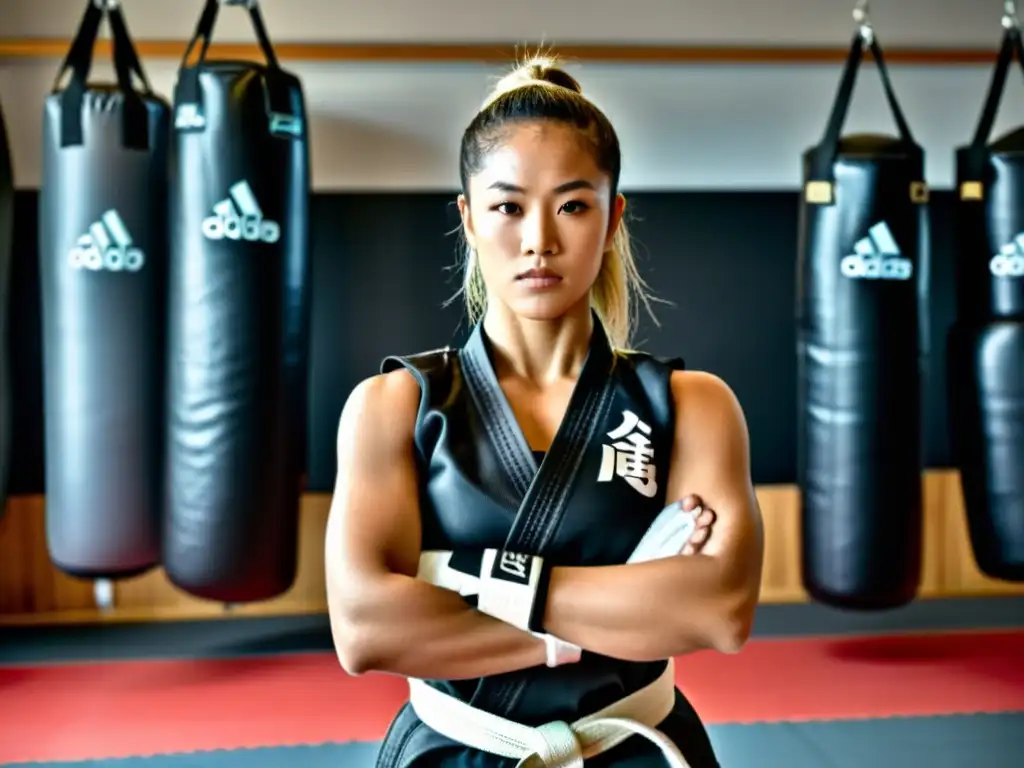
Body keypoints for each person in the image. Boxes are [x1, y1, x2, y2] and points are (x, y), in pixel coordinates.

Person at [325, 55, 765, 768]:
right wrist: (622, 604)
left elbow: (717, 612)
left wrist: (456, 575)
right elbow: (365, 629)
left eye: (572, 204)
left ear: (613, 216)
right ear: (468, 218)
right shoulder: (396, 407)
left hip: (636, 751)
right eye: (507, 206)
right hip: (454, 752)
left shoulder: (690, 405)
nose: (539, 240)